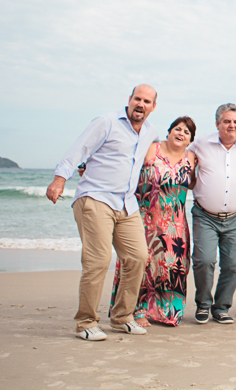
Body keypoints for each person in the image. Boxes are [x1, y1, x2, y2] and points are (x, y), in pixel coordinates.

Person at [45, 84, 159, 341]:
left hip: (126, 204)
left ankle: (122, 317)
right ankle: (86, 322)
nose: (140, 104)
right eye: (137, 99)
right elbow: (79, 150)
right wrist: (59, 180)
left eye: (146, 101)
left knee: (138, 256)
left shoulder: (150, 132)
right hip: (96, 198)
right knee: (98, 260)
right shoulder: (107, 122)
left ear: (153, 107)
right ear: (129, 99)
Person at [109, 116, 197, 327]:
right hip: (145, 217)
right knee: (143, 264)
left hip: (175, 222)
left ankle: (167, 312)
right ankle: (137, 310)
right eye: (178, 129)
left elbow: (192, 183)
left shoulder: (192, 158)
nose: (181, 134)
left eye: (186, 132)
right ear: (169, 131)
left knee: (173, 267)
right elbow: (126, 166)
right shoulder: (151, 149)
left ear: (190, 140)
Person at [188, 103, 236, 325]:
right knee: (204, 260)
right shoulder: (201, 144)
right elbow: (180, 154)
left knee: (233, 266)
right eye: (227, 121)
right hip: (205, 215)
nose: (231, 125)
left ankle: (221, 308)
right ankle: (203, 304)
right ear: (217, 123)